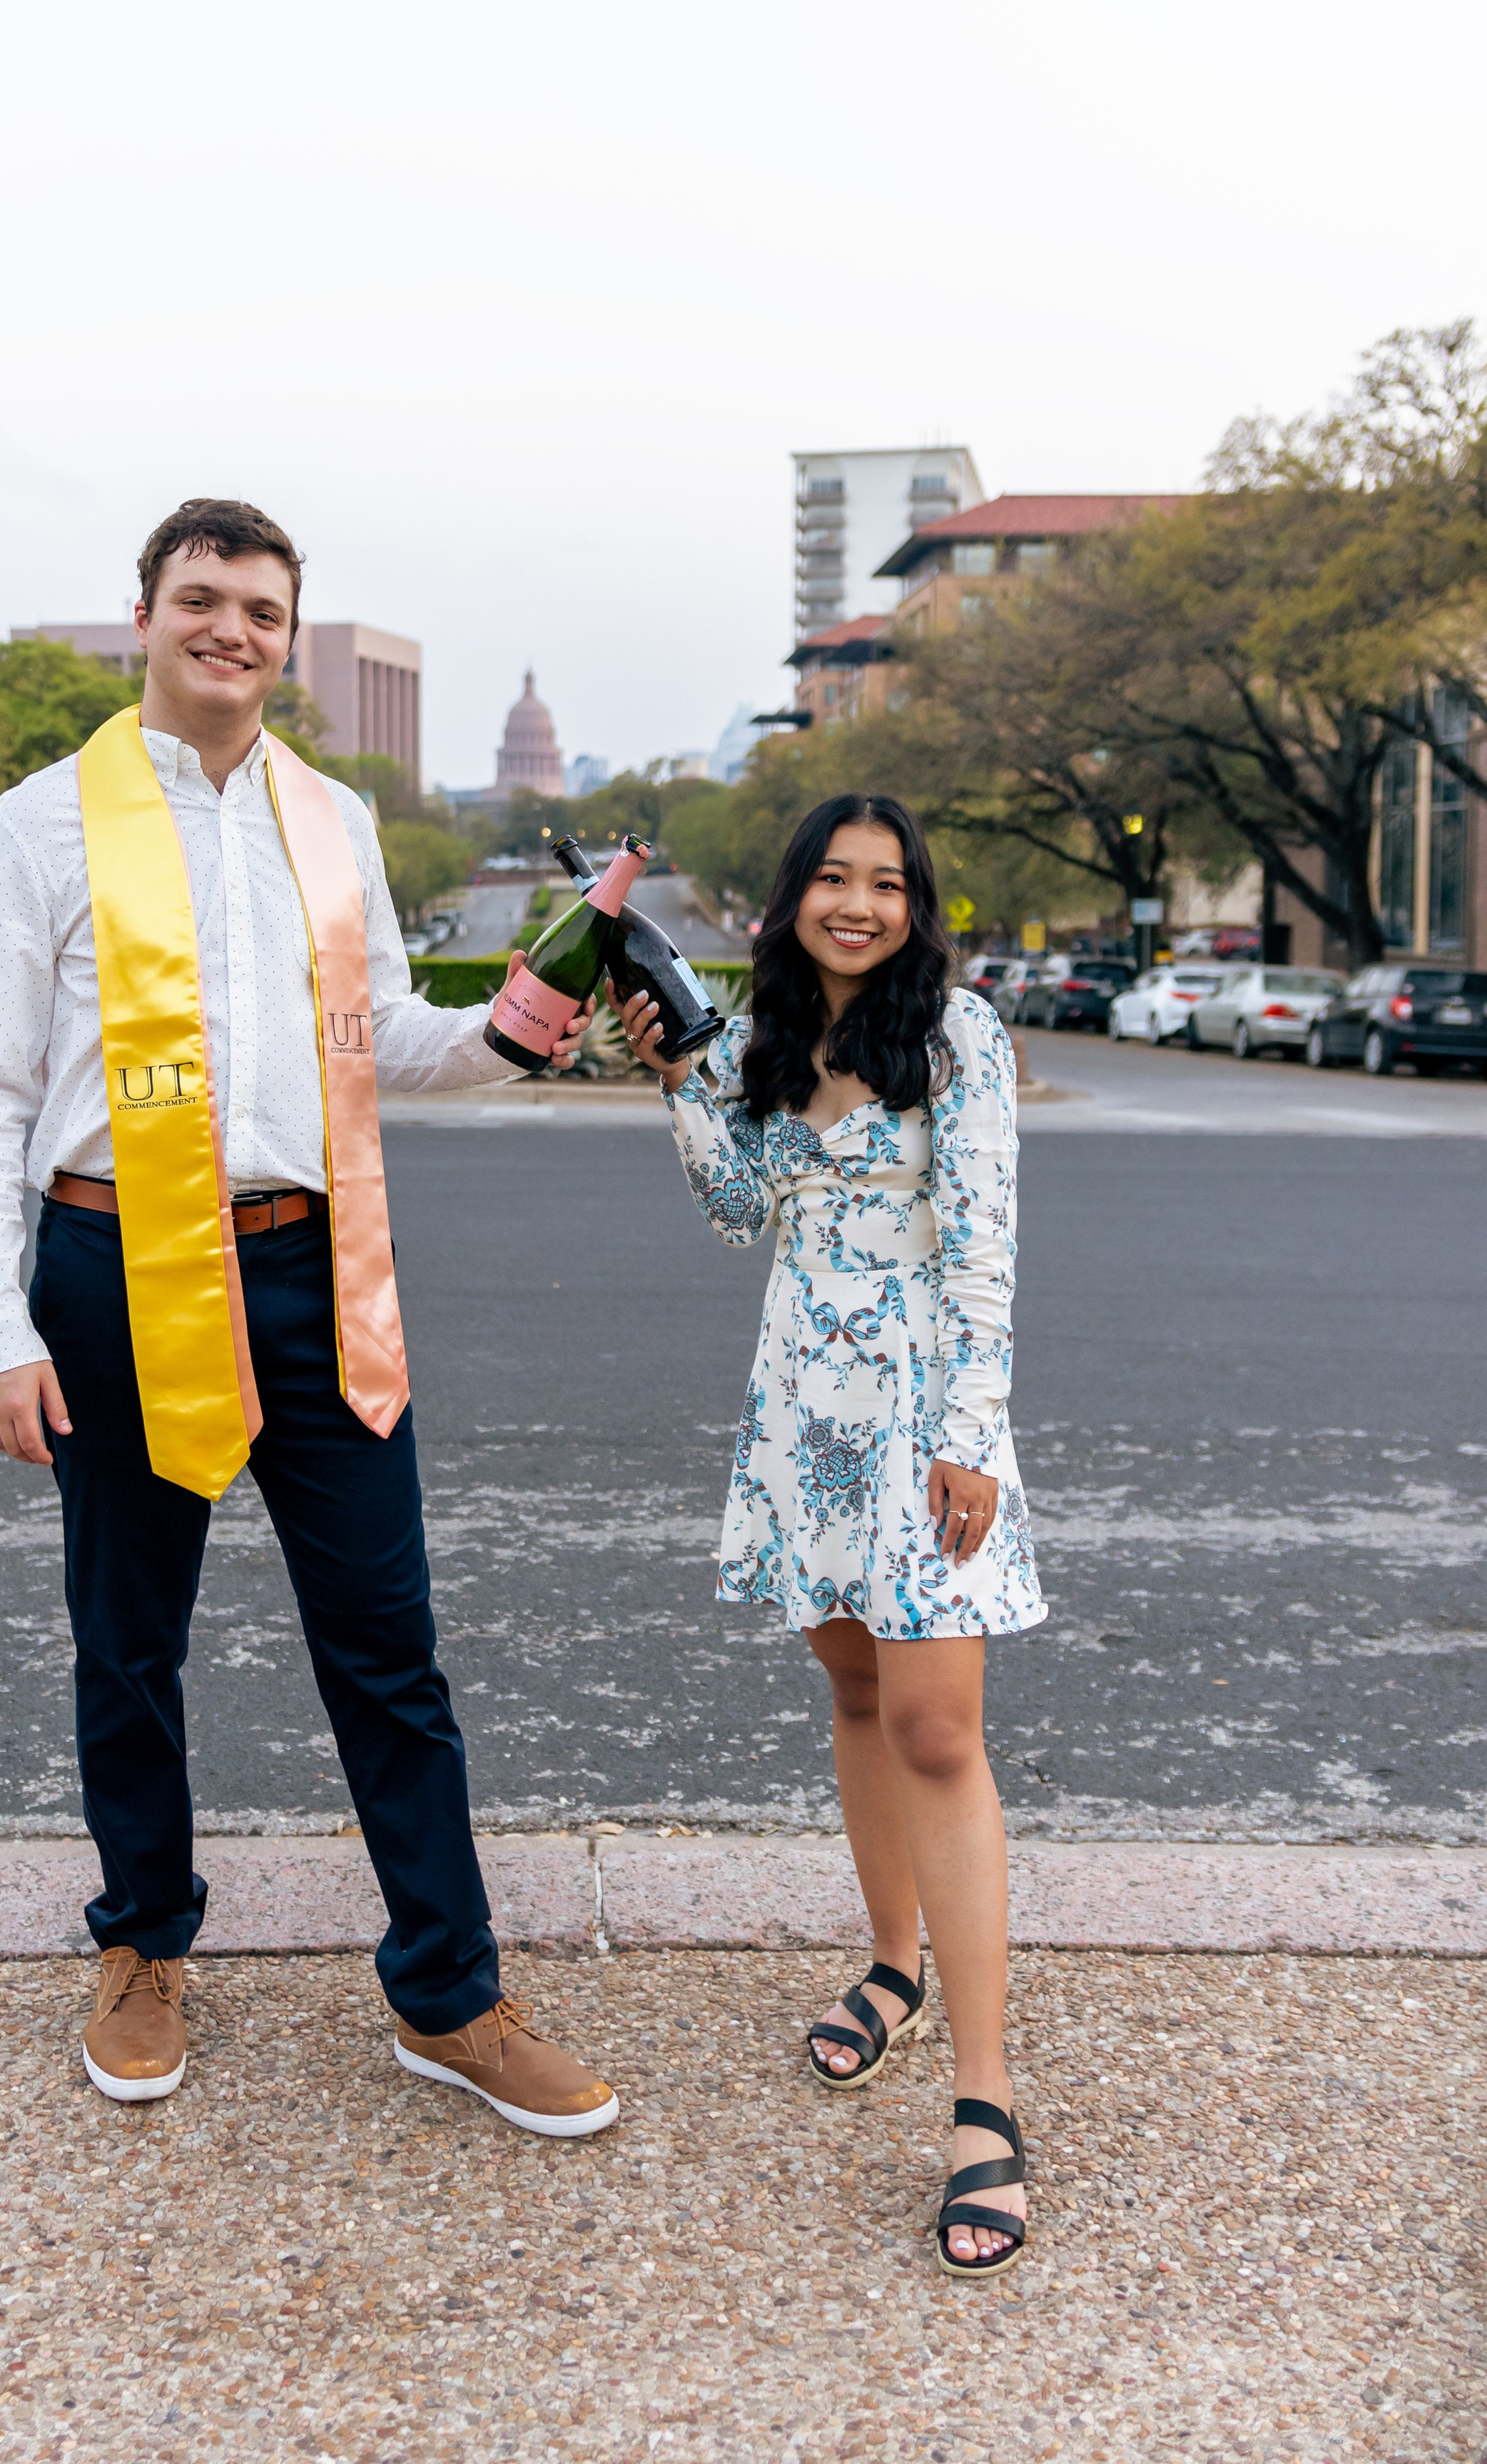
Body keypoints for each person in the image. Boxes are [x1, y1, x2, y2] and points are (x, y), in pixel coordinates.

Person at [0, 496, 617, 2139]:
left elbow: (377, 1037)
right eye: (202, 599)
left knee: (389, 1648)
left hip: (313, 1272)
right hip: (113, 1270)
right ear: (147, 613)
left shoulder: (333, 822)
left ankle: (446, 1990)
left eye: (262, 611)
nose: (232, 630)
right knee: (130, 1641)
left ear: (291, 642)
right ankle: (144, 1944)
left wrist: (529, 1013)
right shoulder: (42, 824)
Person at [613, 794, 1044, 2275]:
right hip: (801, 1408)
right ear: (789, 896)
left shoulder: (958, 1035)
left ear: (916, 904)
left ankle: (981, 2102)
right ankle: (888, 1964)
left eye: (885, 884)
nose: (855, 905)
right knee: (854, 1691)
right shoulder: (758, 1039)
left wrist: (970, 1434)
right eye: (831, 880)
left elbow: (983, 1237)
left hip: (924, 1413)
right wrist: (677, 1077)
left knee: (936, 1726)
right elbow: (742, 1212)